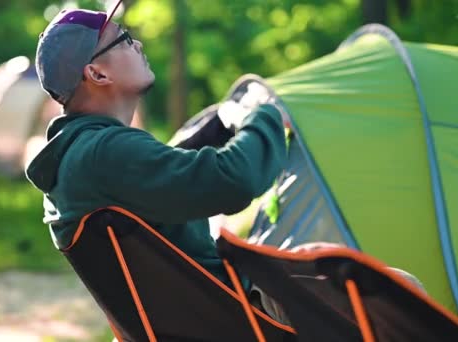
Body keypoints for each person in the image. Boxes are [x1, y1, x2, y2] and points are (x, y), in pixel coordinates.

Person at [26, 8, 286, 293]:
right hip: (239, 319)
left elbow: (155, 177)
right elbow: (233, 180)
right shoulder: (107, 152)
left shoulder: (75, 158)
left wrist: (210, 137)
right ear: (97, 73)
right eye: (123, 38)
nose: (138, 44)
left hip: (185, 322)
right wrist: (264, 114)